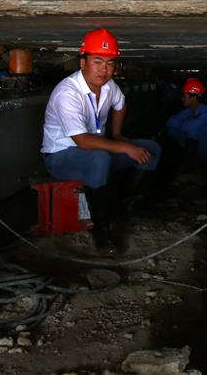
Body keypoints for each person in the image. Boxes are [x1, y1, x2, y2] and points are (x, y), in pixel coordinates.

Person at [41, 28, 160, 253]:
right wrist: (124, 146)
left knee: (150, 149)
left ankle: (124, 205)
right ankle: (102, 233)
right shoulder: (67, 93)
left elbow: (120, 104)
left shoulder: (109, 86)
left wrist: (116, 135)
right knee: (99, 159)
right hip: (61, 157)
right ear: (83, 63)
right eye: (97, 62)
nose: (104, 70)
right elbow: (83, 142)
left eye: (110, 63)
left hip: (97, 152)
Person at [165, 78, 207, 169]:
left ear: (193, 97)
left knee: (193, 131)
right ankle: (176, 162)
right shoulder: (188, 111)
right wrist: (185, 122)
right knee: (172, 131)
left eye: (184, 96)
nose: (182, 98)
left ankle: (189, 167)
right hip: (199, 148)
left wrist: (184, 124)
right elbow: (169, 121)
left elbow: (191, 128)